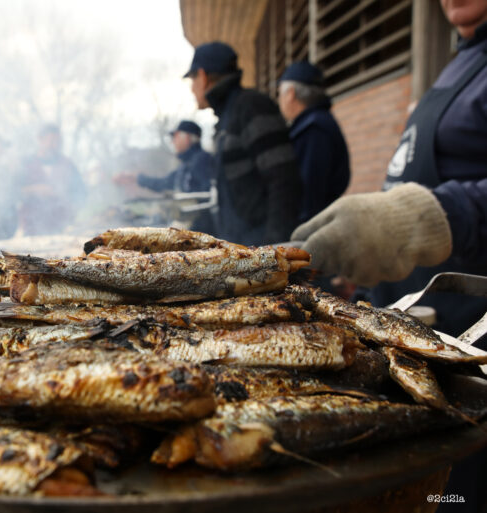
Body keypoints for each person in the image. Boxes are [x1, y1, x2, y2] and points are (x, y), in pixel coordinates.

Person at [291, 1, 487, 509]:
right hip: (412, 322)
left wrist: (421, 221)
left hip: (472, 341)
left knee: (457, 496)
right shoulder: (461, 58)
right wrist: (373, 289)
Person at [185, 41, 302, 246]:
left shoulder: (251, 107)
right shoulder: (226, 119)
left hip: (260, 248)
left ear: (202, 77)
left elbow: (283, 180)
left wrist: (272, 253)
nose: (191, 88)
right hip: (240, 247)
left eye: (192, 79)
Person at [278, 61, 350, 223]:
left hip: (311, 229)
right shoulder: (314, 122)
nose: (279, 100)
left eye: (280, 93)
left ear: (290, 94)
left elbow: (309, 194)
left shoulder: (313, 128)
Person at [116, 120, 216, 233]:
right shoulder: (184, 167)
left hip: (203, 231)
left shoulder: (203, 160)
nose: (173, 141)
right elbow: (163, 183)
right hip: (189, 228)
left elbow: (207, 202)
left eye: (175, 136)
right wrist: (136, 178)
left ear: (187, 138)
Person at [17, 124, 85, 236]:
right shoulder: (25, 164)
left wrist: (72, 206)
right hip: (31, 227)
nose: (55, 145)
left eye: (58, 141)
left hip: (61, 226)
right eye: (52, 140)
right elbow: (13, 192)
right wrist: (34, 189)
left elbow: (81, 192)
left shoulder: (67, 164)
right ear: (40, 139)